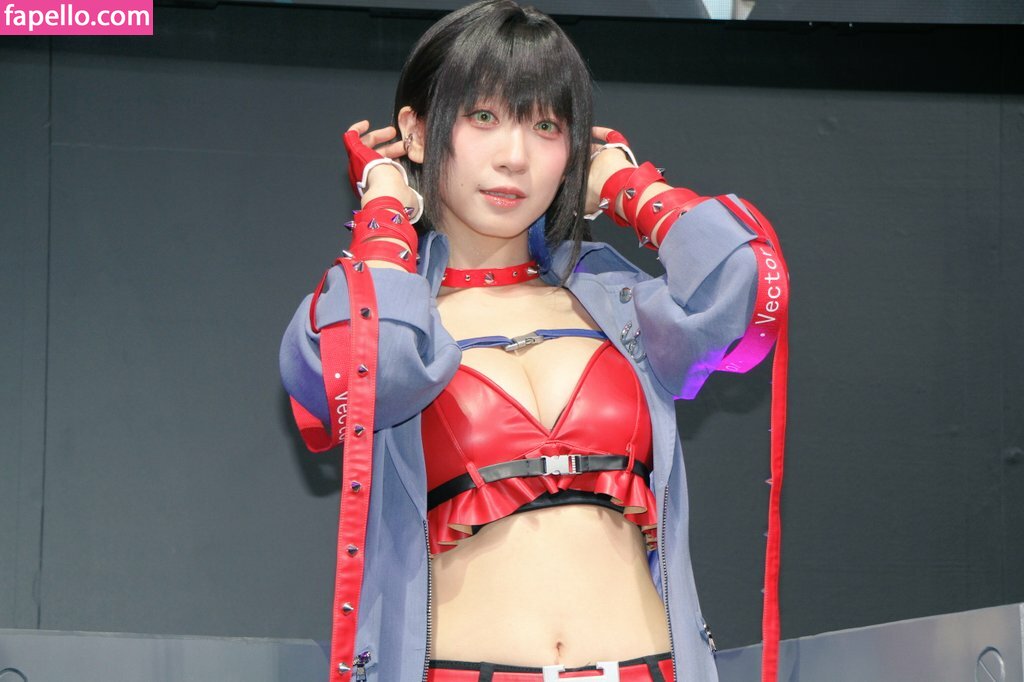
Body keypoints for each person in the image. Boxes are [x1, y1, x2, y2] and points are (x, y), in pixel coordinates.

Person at [279, 1, 788, 680]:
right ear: (418, 132)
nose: (514, 157)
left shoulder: (621, 307)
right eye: (483, 117)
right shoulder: (401, 311)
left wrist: (628, 186)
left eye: (545, 126)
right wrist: (386, 210)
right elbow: (369, 370)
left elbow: (746, 286)